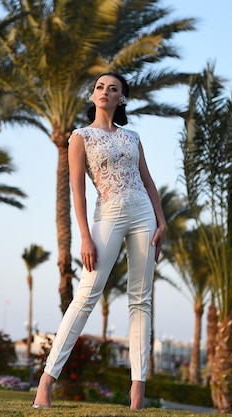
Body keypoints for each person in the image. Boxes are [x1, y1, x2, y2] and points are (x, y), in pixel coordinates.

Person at [31, 73, 167, 410]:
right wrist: (85, 237)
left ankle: (138, 393)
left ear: (122, 99)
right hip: (108, 213)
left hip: (144, 216)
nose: (105, 92)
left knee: (141, 301)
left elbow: (148, 183)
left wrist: (162, 221)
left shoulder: (133, 137)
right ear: (93, 96)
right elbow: (76, 189)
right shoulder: (80, 137)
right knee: (86, 295)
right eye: (99, 87)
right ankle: (46, 381)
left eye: (113, 89)